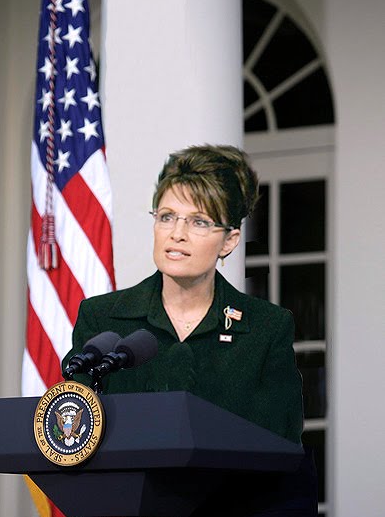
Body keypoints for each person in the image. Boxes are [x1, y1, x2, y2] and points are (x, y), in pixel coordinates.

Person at [62, 144, 317, 515]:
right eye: (167, 216)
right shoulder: (103, 318)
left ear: (229, 240)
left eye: (198, 221)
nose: (177, 233)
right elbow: (75, 429)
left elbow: (280, 448)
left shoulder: (266, 328)